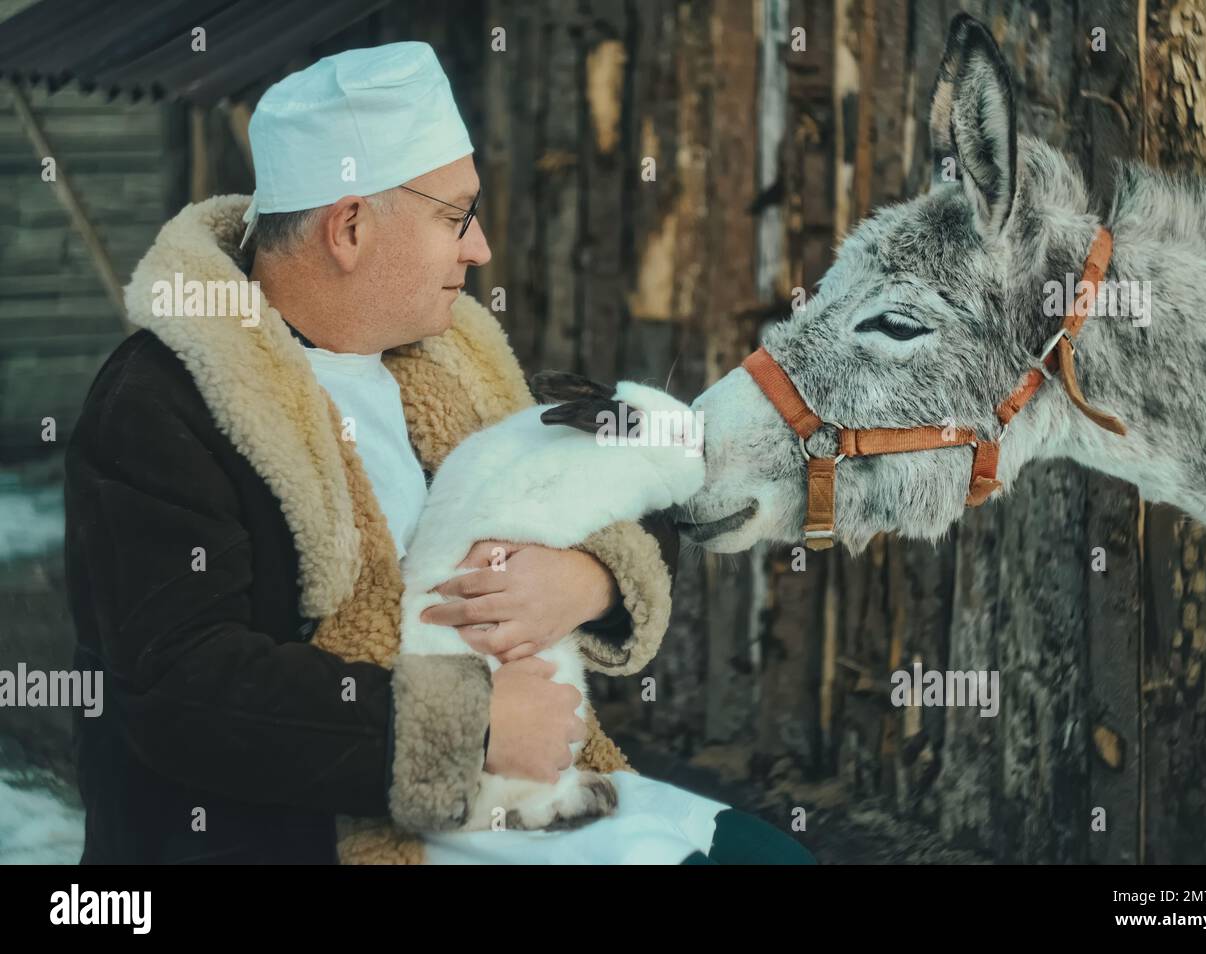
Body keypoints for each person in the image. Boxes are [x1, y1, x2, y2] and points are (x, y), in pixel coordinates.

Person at [64, 40, 812, 865]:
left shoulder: (446, 357)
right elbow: (183, 692)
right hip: (313, 836)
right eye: (455, 215)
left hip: (518, 802)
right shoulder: (166, 403)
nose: (480, 247)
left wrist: (589, 578)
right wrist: (476, 724)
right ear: (348, 228)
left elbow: (621, 484)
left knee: (766, 855)